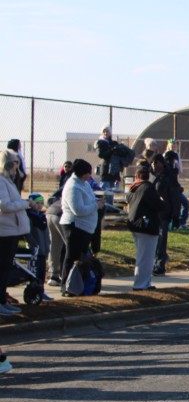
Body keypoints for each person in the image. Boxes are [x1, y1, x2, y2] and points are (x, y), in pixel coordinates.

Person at [59, 159, 103, 296]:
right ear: (81, 173)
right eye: (87, 173)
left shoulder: (85, 184)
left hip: (85, 228)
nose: (89, 175)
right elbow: (78, 210)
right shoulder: (73, 187)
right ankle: (66, 286)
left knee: (82, 258)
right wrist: (96, 206)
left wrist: (96, 202)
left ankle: (79, 285)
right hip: (74, 226)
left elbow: (89, 201)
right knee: (71, 256)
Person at [0, 149, 32, 315]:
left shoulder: (8, 181)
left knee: (5, 268)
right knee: (2, 268)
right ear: (8, 164)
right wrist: (25, 204)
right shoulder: (1, 181)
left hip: (12, 230)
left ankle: (2, 300)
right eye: (15, 162)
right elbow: (4, 206)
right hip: (5, 231)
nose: (17, 166)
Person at [125, 165, 162, 291]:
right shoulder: (148, 188)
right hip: (147, 226)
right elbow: (159, 205)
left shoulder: (133, 188)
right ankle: (141, 284)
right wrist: (162, 201)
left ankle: (144, 283)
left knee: (142, 255)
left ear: (136, 176)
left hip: (134, 224)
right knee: (146, 257)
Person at [151, 154, 180, 276]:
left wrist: (175, 215)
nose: (154, 165)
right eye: (153, 163)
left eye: (156, 163)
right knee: (155, 240)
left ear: (162, 163)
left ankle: (159, 264)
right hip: (153, 213)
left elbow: (175, 197)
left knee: (161, 240)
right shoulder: (152, 177)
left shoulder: (169, 177)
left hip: (164, 213)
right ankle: (158, 260)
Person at [95, 127, 133, 199]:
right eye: (104, 131)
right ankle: (102, 204)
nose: (106, 133)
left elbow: (120, 153)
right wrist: (112, 150)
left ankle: (109, 205)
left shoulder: (114, 143)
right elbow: (101, 154)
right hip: (105, 168)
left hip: (113, 169)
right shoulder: (100, 142)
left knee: (111, 191)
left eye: (107, 131)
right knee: (104, 188)